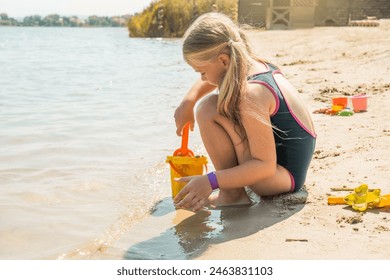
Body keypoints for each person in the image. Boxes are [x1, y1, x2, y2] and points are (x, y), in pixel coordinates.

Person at [173, 13, 316, 211]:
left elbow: (264, 165)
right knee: (209, 105)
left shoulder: (251, 94)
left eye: (201, 72)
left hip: (278, 177)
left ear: (223, 60)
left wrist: (210, 181)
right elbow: (212, 79)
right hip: (289, 167)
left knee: (207, 109)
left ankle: (232, 195)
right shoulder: (254, 64)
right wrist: (188, 102)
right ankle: (232, 190)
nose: (203, 79)